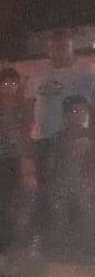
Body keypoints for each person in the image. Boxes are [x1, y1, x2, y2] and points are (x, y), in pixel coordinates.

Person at [24, 29, 95, 255]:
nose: (58, 52)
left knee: (80, 192)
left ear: (72, 47)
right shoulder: (39, 72)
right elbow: (28, 107)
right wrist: (27, 145)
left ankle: (81, 243)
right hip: (44, 141)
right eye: (53, 48)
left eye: (63, 47)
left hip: (76, 141)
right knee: (47, 191)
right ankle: (50, 242)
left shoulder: (85, 70)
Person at [0, 68, 34, 255]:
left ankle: (19, 245)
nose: (9, 87)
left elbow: (27, 134)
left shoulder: (24, 107)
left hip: (18, 159)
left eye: (13, 83)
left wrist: (27, 162)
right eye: (5, 83)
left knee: (20, 203)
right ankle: (0, 243)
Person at [47, 95, 95, 259]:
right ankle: (59, 248)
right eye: (75, 111)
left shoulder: (91, 136)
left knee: (86, 207)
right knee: (57, 207)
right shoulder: (59, 137)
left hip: (84, 184)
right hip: (61, 183)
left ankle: (89, 248)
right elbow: (51, 164)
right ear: (66, 115)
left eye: (83, 111)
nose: (79, 115)